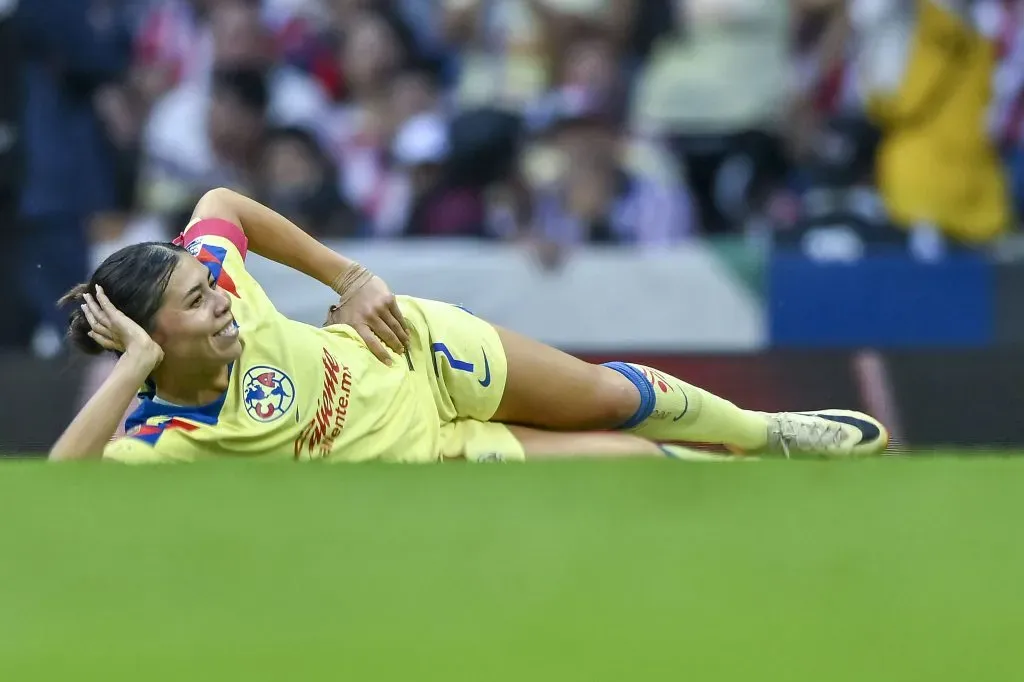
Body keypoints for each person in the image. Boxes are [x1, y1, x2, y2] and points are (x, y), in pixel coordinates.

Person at [49, 188, 889, 463]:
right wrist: (135, 366)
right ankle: (771, 493)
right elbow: (59, 486)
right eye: (195, 304)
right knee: (637, 465)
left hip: (413, 347)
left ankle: (769, 431)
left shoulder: (222, 276)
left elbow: (222, 204)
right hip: (441, 456)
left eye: (210, 284)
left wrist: (352, 276)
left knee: (601, 394)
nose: (222, 299)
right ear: (153, 338)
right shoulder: (164, 442)